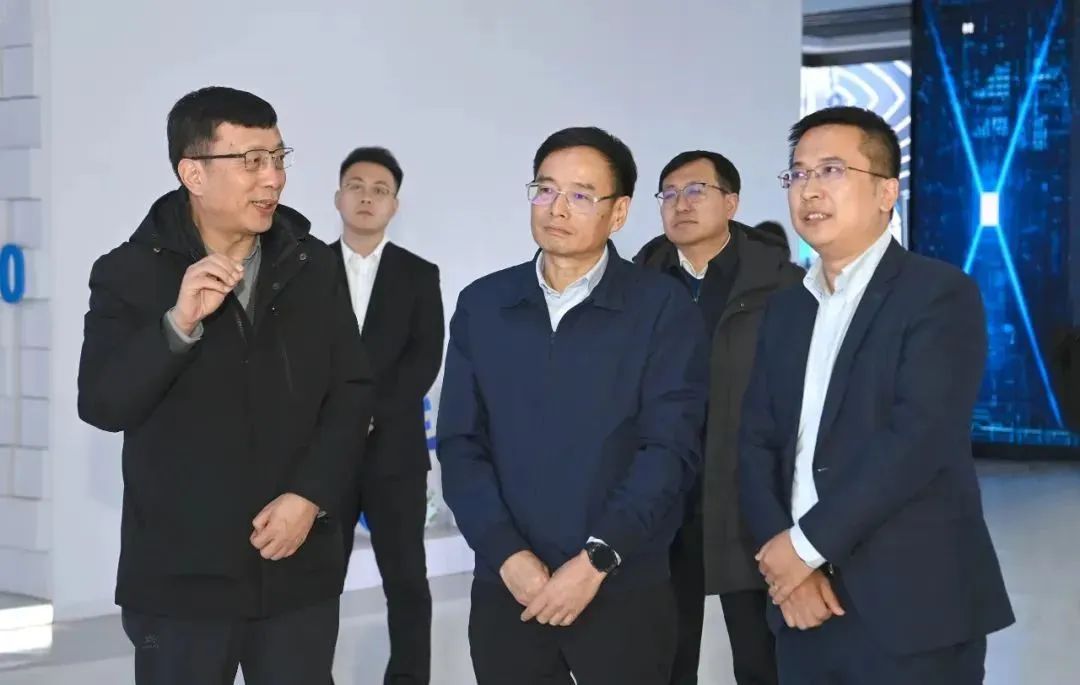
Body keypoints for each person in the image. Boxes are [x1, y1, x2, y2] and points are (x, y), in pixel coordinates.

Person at [77, 86, 373, 685]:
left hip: (296, 568)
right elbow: (103, 403)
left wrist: (309, 496)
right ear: (193, 173)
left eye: (278, 157)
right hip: (181, 580)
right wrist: (177, 325)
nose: (273, 179)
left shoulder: (313, 265)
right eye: (251, 161)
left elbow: (352, 393)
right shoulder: (128, 273)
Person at [739, 106, 1014, 684]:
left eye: (832, 170)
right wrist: (786, 566)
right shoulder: (785, 309)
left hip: (913, 607)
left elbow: (918, 440)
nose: (810, 189)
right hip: (801, 605)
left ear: (887, 192)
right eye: (798, 173)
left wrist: (804, 547)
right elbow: (756, 442)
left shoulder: (938, 293)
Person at [437, 126, 709, 684]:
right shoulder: (484, 305)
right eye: (545, 190)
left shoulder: (662, 308)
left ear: (619, 212)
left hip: (623, 588)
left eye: (581, 195)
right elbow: (461, 445)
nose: (557, 208)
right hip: (511, 590)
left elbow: (669, 449)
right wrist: (508, 556)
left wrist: (597, 560)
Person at [635, 151, 803, 685]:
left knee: (759, 654)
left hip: (748, 496)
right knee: (662, 654)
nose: (680, 204)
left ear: (731, 203)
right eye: (668, 194)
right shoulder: (637, 284)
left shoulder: (781, 286)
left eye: (696, 191)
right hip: (664, 494)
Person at [330, 146, 444, 684]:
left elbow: (424, 358)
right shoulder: (305, 268)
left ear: (394, 205)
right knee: (314, 586)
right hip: (320, 457)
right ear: (338, 197)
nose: (367, 197)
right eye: (356, 186)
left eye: (380, 190)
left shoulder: (418, 274)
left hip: (394, 453)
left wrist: (367, 414)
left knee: (406, 582)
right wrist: (337, 421)